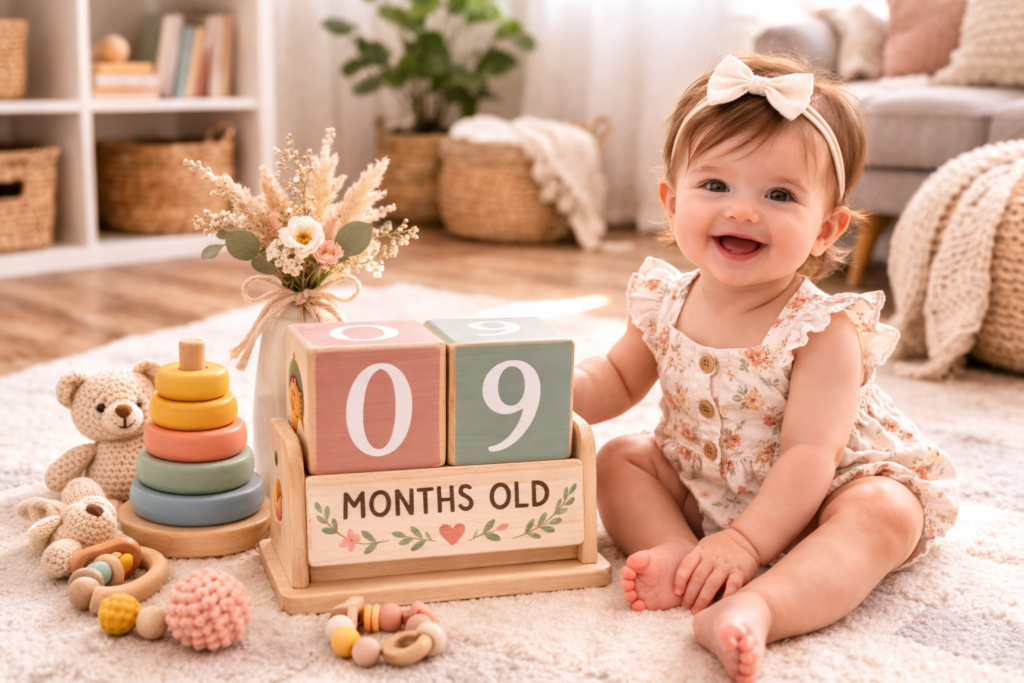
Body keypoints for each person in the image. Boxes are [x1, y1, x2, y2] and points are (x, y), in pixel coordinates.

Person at [572, 53, 958, 683]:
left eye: (779, 195)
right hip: (706, 486)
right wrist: (547, 391)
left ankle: (760, 606)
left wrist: (747, 545)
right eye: (715, 185)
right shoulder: (663, 299)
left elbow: (811, 453)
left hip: (820, 494)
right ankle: (676, 553)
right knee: (620, 457)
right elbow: (614, 379)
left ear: (825, 230)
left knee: (886, 511)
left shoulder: (822, 330)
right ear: (671, 202)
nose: (744, 210)